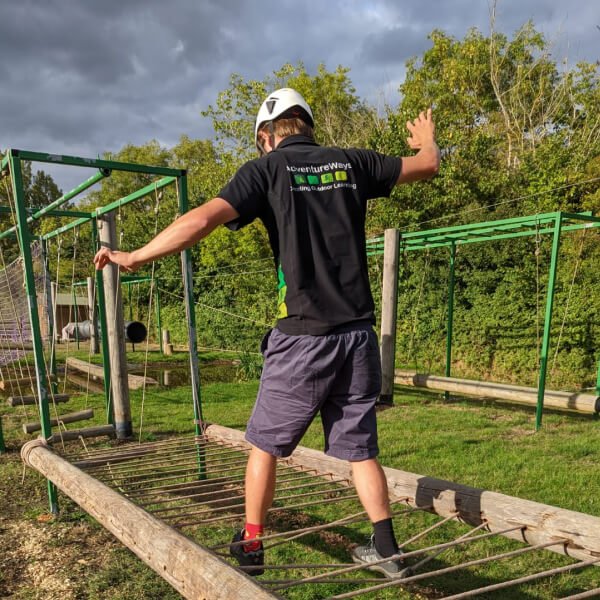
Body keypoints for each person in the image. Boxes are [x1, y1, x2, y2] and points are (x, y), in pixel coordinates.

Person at [94, 87, 440, 578]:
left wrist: (132, 257)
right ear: (308, 125)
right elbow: (426, 165)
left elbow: (200, 220)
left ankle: (252, 545)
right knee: (360, 448)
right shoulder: (352, 163)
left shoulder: (267, 169)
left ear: (265, 135)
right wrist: (427, 139)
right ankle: (386, 547)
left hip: (302, 337)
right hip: (358, 337)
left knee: (265, 445)